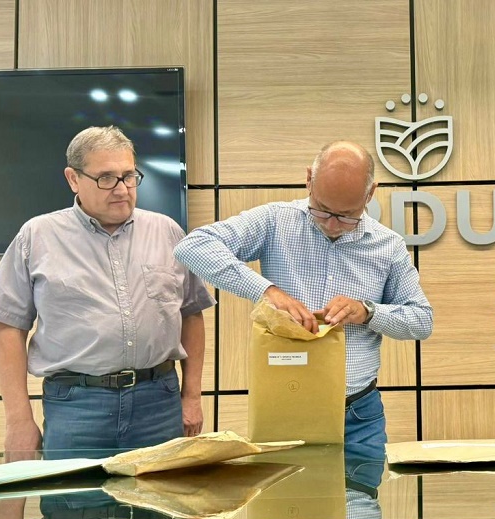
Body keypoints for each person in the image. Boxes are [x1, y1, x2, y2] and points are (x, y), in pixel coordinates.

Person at [174, 140, 433, 447]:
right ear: (309, 179)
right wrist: (266, 291)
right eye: (322, 210)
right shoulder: (275, 221)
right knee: (284, 481)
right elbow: (193, 246)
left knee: (363, 482)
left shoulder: (388, 246)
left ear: (370, 194)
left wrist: (368, 312)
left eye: (347, 215)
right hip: (284, 407)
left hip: (358, 415)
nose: (333, 225)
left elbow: (421, 321)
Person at [0, 125, 215, 456]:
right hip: (77, 405)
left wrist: (191, 396)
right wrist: (18, 420)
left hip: (158, 402)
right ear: (73, 179)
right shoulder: (38, 236)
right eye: (106, 178)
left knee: (162, 490)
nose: (122, 189)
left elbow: (191, 315)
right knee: (75, 492)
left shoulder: (167, 232)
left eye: (129, 176)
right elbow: (8, 328)